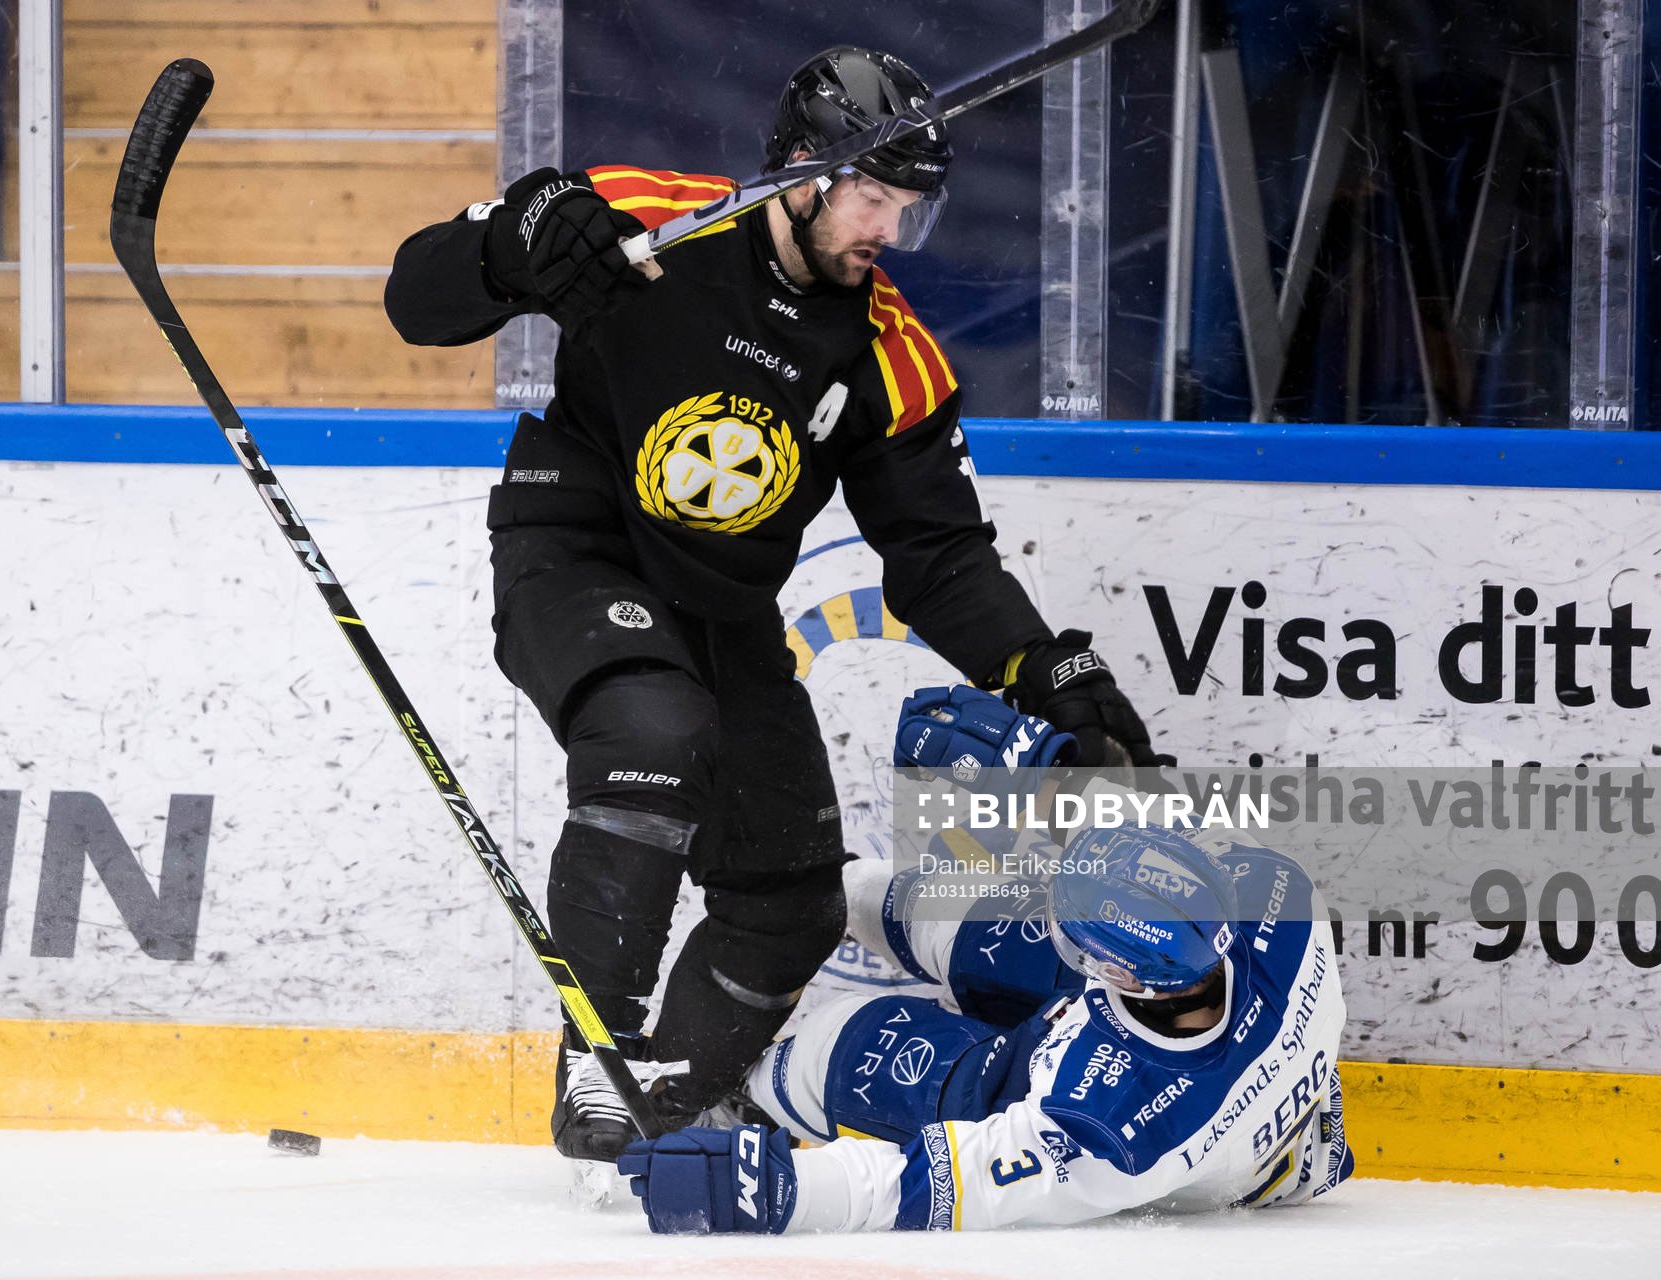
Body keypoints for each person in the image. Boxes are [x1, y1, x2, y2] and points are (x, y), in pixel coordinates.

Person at [383, 46, 1167, 1164]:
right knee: (652, 734)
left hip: (718, 614)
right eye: (872, 196)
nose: (889, 230)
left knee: (790, 895)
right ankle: (604, 1059)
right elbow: (417, 298)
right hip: (576, 546)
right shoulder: (651, 224)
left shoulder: (891, 353)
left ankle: (661, 1116)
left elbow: (940, 557)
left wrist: (1046, 669)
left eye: (909, 208)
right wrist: (516, 235)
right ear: (803, 170)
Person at [617, 687, 1352, 1232]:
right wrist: (1042, 770)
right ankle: (815, 895)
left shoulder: (1106, 1133)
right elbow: (1160, 835)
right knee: (962, 919)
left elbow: (926, 1183)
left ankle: (739, 1092)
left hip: (1188, 1140)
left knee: (848, 1046)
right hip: (1224, 1059)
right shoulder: (1275, 900)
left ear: (1118, 978)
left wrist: (771, 1189)